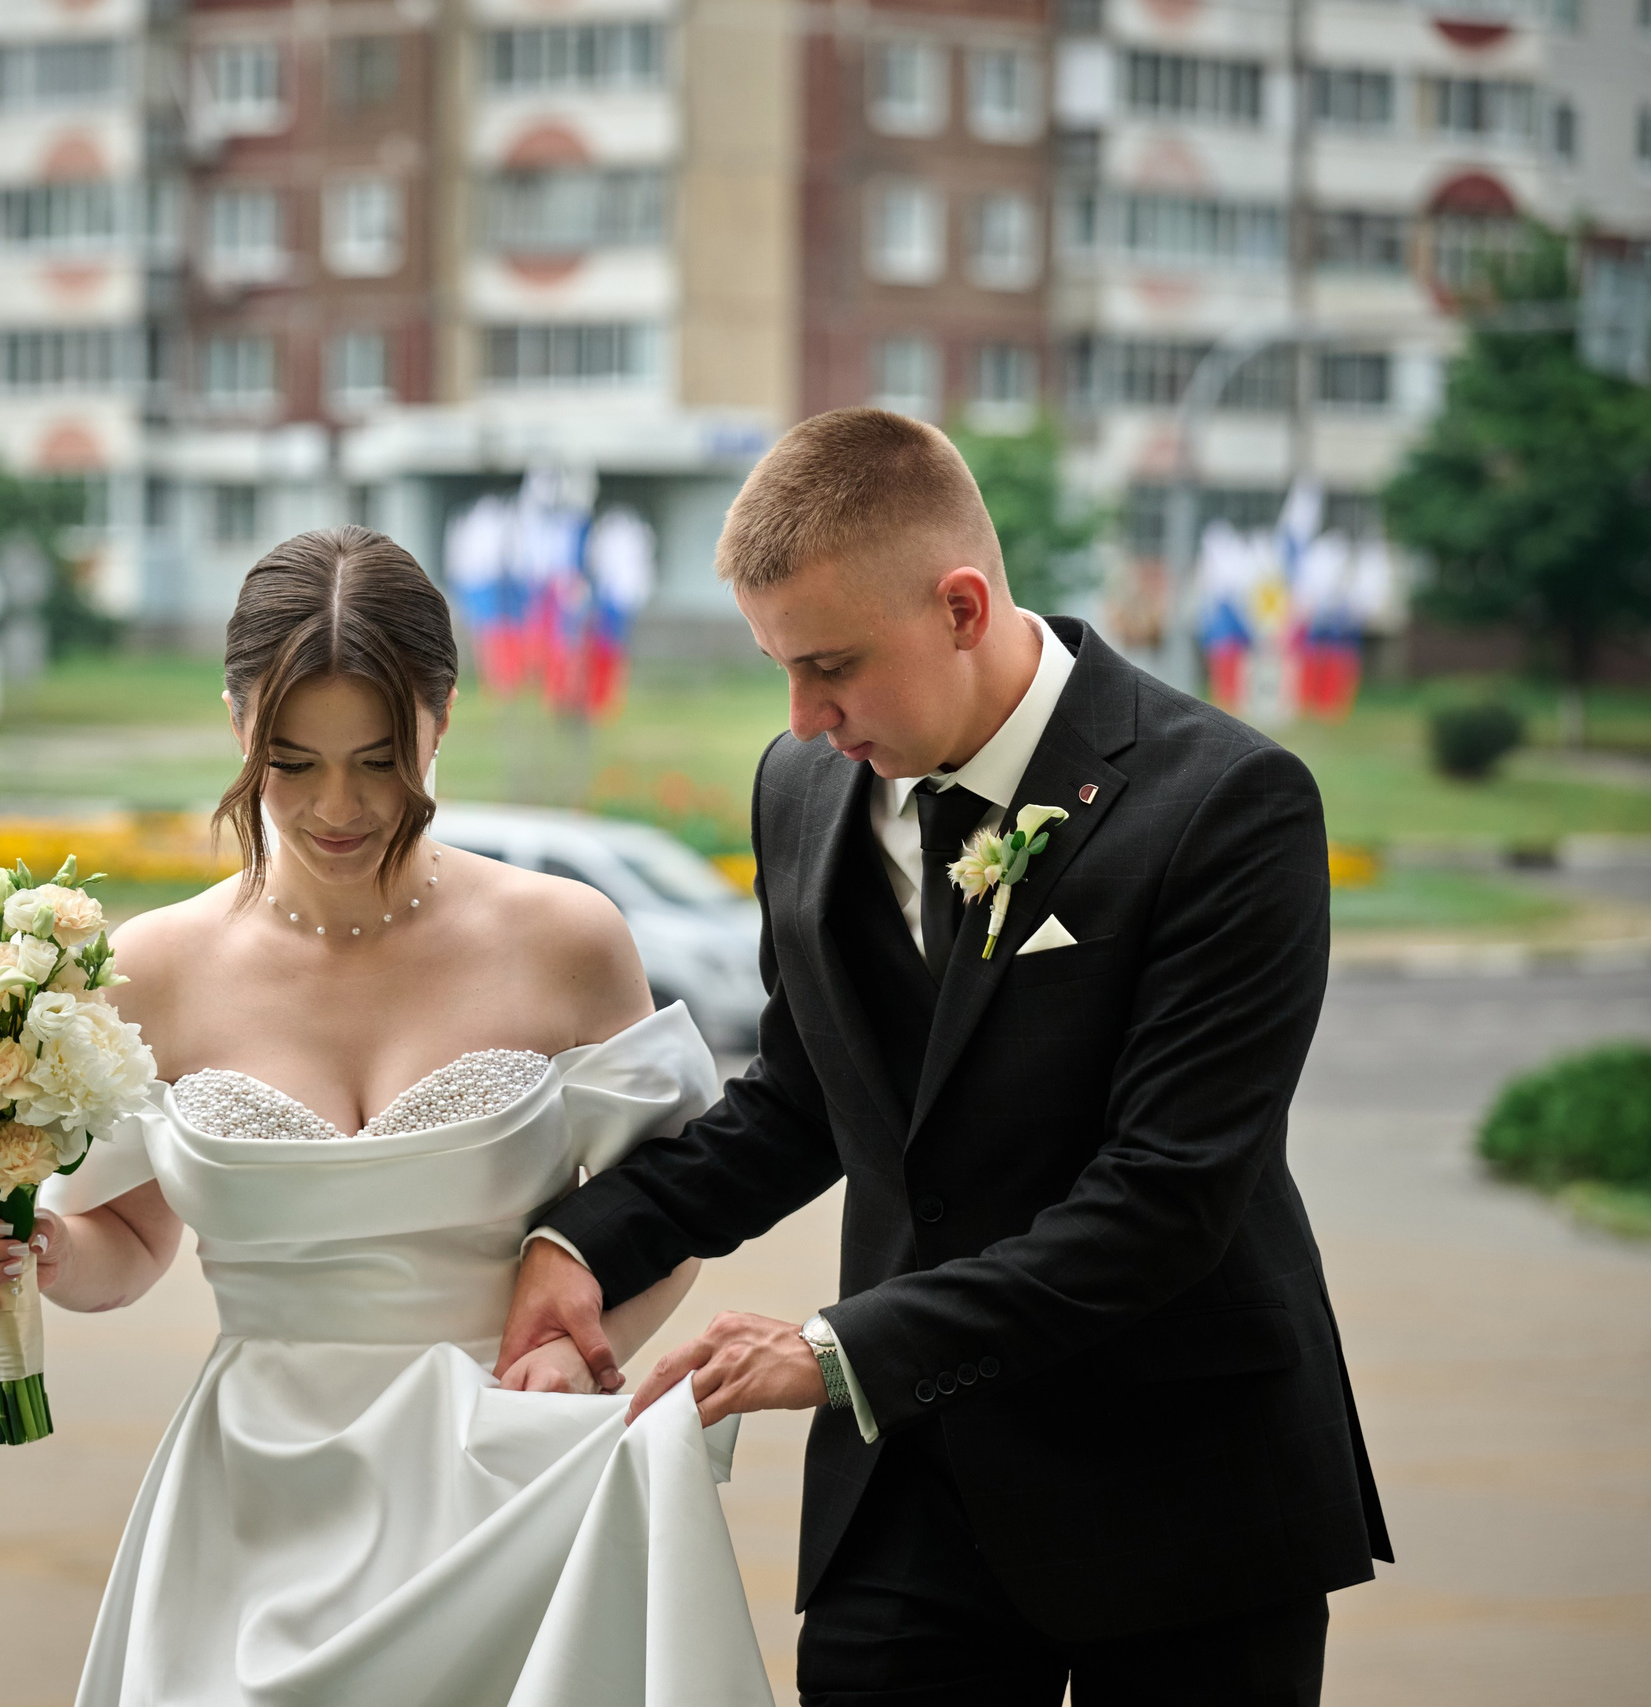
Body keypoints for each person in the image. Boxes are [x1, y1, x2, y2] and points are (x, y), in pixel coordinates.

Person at [498, 408, 1391, 1706]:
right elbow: (806, 1098)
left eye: (834, 666)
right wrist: (584, 1241)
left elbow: (1164, 1199)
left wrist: (837, 1346)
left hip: (1188, 1491)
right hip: (913, 1490)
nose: (804, 718)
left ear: (963, 605)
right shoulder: (803, 789)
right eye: (780, 669)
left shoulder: (1228, 805)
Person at [0, 526, 773, 1707]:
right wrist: (40, 1253)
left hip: (505, 1488)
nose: (338, 807)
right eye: (291, 763)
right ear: (238, 727)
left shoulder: (567, 940)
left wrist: (570, 1365)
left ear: (440, 718)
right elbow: (127, 1247)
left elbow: (674, 1218)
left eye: (381, 761)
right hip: (252, 1513)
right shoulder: (148, 967)